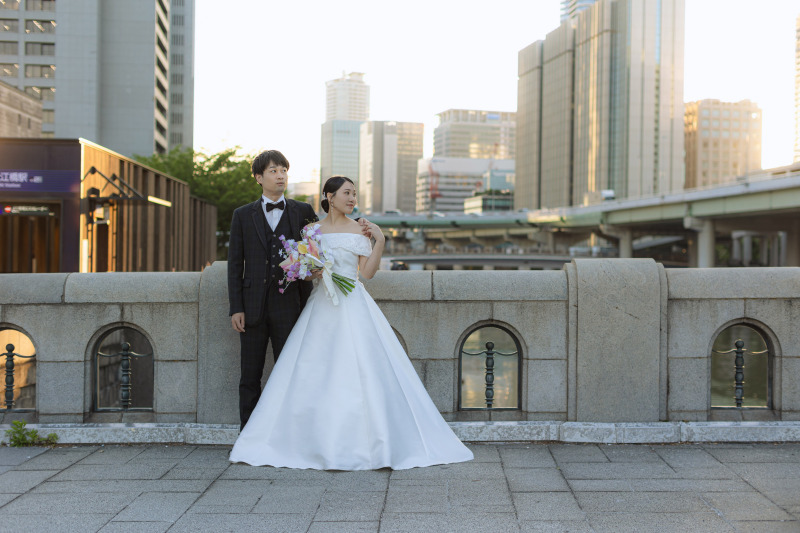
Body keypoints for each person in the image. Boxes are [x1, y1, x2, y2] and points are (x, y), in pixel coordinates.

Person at [229, 176, 474, 470]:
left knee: (360, 370)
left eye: (354, 194)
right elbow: (305, 271)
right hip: (321, 304)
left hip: (353, 302)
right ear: (329, 197)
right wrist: (312, 271)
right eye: (346, 193)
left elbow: (367, 273)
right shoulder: (310, 230)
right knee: (311, 371)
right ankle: (306, 441)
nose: (352, 199)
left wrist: (380, 240)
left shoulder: (361, 229)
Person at [227, 150, 318, 430]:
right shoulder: (243, 215)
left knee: (290, 374)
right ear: (259, 177)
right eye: (273, 171)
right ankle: (248, 436)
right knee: (249, 376)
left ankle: (288, 434)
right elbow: (235, 264)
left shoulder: (303, 211)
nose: (280, 176)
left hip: (290, 306)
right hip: (252, 307)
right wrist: (236, 307)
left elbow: (318, 248)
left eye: (284, 171)